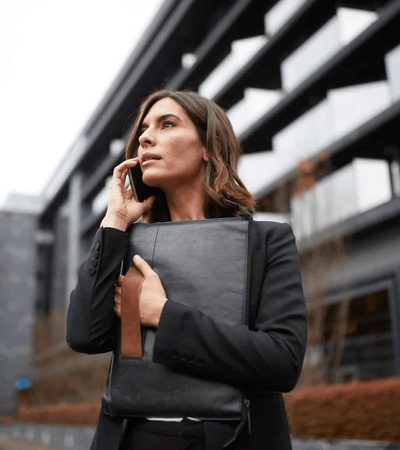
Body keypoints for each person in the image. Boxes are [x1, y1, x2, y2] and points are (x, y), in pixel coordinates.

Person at [66, 89, 307, 450]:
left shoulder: (266, 242)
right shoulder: (124, 242)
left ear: (208, 146)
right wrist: (113, 222)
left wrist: (163, 315)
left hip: (235, 438)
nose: (146, 136)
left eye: (167, 124)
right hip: (132, 439)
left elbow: (282, 361)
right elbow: (84, 335)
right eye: (144, 130)